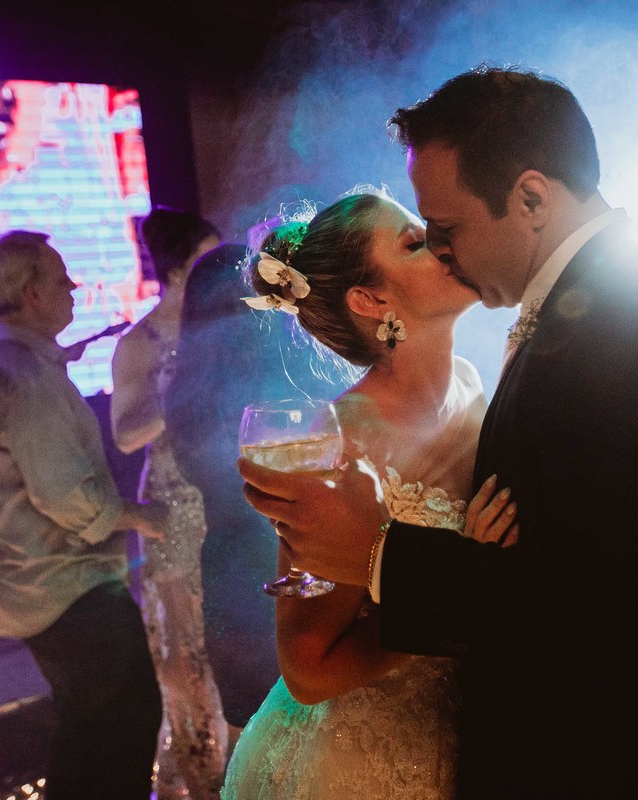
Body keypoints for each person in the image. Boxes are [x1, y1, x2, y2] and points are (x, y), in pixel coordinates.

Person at [239, 66, 638, 798]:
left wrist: (381, 553)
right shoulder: (602, 311)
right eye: (423, 238)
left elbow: (609, 609)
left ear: (532, 199)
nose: (442, 250)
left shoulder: (630, 331)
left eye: (447, 229)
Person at [221, 189, 517, 799]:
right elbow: (307, 669)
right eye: (415, 243)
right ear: (371, 300)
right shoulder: (344, 437)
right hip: (361, 759)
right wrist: (445, 600)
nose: (441, 243)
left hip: (464, 732)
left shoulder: (469, 382)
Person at [0, 230, 168, 800]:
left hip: (28, 586)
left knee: (86, 732)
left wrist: (61, 359)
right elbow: (67, 497)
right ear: (31, 294)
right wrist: (145, 517)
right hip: (67, 587)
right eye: (59, 278)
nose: (73, 287)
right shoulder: (27, 382)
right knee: (122, 730)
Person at [163, 241, 351, 738]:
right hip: (292, 565)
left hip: (227, 573)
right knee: (310, 736)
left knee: (254, 740)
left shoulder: (184, 388)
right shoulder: (289, 385)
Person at [109, 208, 228, 800]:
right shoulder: (140, 343)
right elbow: (126, 434)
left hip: (228, 503)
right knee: (187, 661)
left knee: (232, 647)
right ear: (179, 271)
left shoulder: (225, 325)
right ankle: (202, 783)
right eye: (209, 257)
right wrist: (181, 391)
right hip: (173, 509)